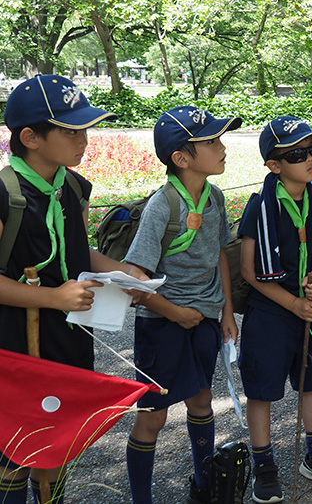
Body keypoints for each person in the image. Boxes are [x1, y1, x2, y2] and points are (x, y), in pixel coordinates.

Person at [0, 75, 148, 504]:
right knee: (14, 448)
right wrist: (52, 297)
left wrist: (123, 273)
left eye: (85, 129)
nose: (84, 140)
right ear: (30, 138)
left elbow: (79, 250)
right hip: (15, 341)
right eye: (71, 131)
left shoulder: (74, 187)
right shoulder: (5, 195)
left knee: (57, 438)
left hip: (69, 336)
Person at [124, 105, 242, 504]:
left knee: (202, 400)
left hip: (204, 319)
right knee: (153, 416)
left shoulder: (215, 198)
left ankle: (203, 486)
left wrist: (226, 311)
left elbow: (220, 253)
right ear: (181, 158)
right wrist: (175, 313)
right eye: (211, 141)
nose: (222, 147)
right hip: (162, 322)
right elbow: (135, 278)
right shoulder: (162, 206)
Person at [237, 117, 312, 500]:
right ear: (274, 165)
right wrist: (293, 302)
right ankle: (264, 465)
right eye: (298, 154)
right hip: (270, 312)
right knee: (262, 391)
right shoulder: (260, 206)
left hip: (310, 308)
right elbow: (249, 270)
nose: (311, 159)